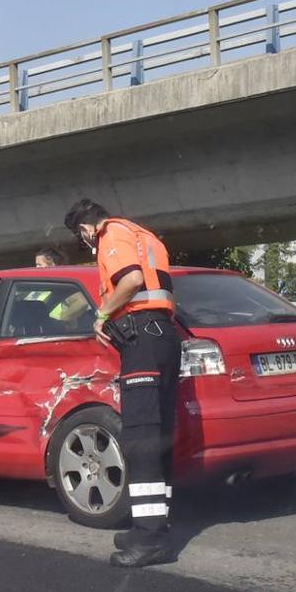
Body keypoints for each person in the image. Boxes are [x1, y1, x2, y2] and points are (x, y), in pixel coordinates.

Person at [65, 199, 180, 568]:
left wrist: (102, 313)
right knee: (158, 435)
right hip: (164, 336)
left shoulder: (111, 234)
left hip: (142, 340)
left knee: (141, 437)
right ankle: (153, 524)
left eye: (82, 236)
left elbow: (131, 280)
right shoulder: (143, 234)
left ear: (86, 228)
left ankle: (150, 540)